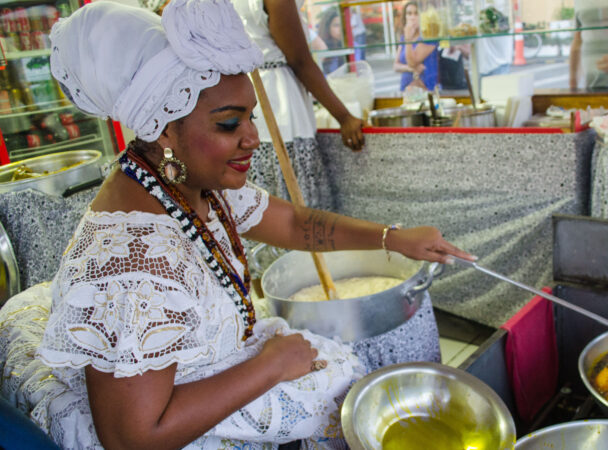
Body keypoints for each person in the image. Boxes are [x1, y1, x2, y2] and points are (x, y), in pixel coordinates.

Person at [31, 1, 473, 448]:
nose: (252, 138)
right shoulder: (133, 261)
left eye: (251, 117)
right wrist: (270, 366)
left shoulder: (181, 178)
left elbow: (296, 223)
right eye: (228, 123)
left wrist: (392, 239)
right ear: (163, 128)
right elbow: (134, 437)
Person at [232, 0, 365, 212]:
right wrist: (344, 117)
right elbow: (300, 61)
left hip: (241, 97)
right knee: (296, 199)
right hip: (278, 103)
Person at [393, 1, 438, 92]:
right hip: (406, 87)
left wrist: (408, 40)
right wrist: (410, 69)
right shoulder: (404, 37)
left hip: (425, 88)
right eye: (409, 13)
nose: (412, 17)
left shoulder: (429, 37)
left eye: (416, 13)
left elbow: (412, 62)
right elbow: (396, 66)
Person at [318, 7, 345, 74]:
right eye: (336, 25)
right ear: (327, 27)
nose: (340, 29)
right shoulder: (321, 47)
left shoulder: (351, 45)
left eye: (342, 24)